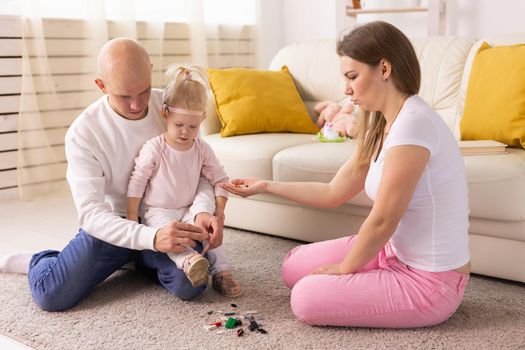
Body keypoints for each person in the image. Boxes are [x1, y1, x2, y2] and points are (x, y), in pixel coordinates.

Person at [222, 21, 470, 328]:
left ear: (384, 69)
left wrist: (345, 268)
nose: (346, 89)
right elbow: (333, 192)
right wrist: (266, 186)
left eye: (352, 76)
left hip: (430, 281)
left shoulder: (414, 125)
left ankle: (371, 281)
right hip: (393, 252)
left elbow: (383, 220)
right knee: (293, 266)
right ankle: (370, 276)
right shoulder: (383, 124)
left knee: (305, 298)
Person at [0, 38, 224, 311]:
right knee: (51, 295)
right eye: (124, 95)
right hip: (115, 225)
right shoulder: (84, 133)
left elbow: (200, 169)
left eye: (142, 91)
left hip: (167, 215)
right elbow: (92, 214)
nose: (135, 104)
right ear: (101, 86)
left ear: (150, 70)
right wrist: (151, 238)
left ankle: (139, 260)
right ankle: (42, 259)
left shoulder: (170, 107)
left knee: (193, 285)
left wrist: (202, 210)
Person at [127, 64, 241, 297]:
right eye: (179, 125)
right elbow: (137, 182)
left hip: (189, 208)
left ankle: (222, 272)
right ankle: (189, 260)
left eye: (193, 126)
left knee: (208, 232)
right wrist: (131, 217)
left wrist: (218, 214)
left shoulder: (201, 148)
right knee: (171, 236)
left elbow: (220, 180)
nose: (185, 132)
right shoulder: (155, 148)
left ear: (202, 120)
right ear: (165, 114)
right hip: (159, 210)